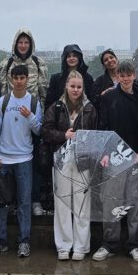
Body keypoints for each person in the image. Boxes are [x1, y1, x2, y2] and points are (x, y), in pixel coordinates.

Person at [92, 60, 138, 262]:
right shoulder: (108, 98)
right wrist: (106, 152)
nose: (125, 78)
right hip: (114, 157)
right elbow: (104, 126)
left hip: (135, 156)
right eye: (122, 75)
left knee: (135, 203)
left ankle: (134, 244)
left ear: (134, 75)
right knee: (111, 202)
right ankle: (110, 243)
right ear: (117, 76)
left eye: (128, 74)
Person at [42, 70, 98, 261]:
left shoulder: (90, 108)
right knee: (62, 205)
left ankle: (81, 246)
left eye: (79, 87)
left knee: (82, 206)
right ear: (66, 86)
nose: (75, 90)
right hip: (62, 159)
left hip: (83, 160)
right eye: (72, 86)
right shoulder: (56, 107)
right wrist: (63, 136)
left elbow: (96, 135)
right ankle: (64, 245)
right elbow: (46, 131)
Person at [0, 64, 42, 259]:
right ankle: (0, 241)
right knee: (1, 202)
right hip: (4, 158)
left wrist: (30, 117)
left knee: (24, 202)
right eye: (16, 77)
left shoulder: (34, 102)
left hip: (25, 158)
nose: (19, 81)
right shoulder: (2, 102)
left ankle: (24, 241)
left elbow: (39, 130)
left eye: (22, 77)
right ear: (11, 79)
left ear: (27, 79)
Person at [0, 29, 49, 100]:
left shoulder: (39, 63)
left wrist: (41, 109)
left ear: (31, 44)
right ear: (15, 44)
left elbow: (43, 90)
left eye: (26, 42)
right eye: (20, 42)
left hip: (33, 107)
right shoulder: (6, 64)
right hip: (11, 107)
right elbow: (2, 90)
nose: (23, 46)